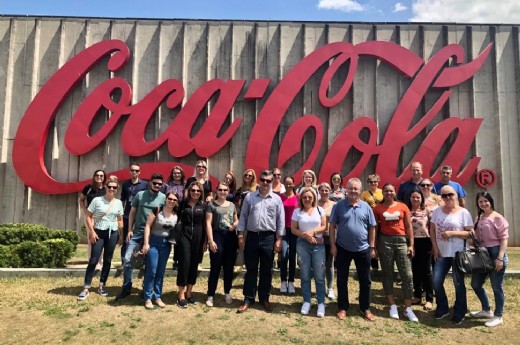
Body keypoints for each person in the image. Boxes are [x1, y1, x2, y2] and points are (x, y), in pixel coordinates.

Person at [236, 170, 285, 313]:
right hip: (251, 236)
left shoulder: (276, 199)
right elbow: (243, 217)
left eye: (268, 181)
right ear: (260, 181)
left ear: (272, 182)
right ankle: (248, 299)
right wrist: (240, 235)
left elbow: (280, 221)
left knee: (266, 270)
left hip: (269, 238)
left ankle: (264, 298)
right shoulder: (249, 197)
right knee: (250, 269)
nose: (265, 183)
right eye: (263, 180)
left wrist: (279, 239)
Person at [329, 178, 377, 321]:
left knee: (365, 280)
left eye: (356, 188)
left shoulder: (366, 207)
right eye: (350, 188)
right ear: (346, 189)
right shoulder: (338, 206)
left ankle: (365, 308)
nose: (353, 191)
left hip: (363, 248)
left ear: (360, 190)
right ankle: (342, 307)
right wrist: (332, 245)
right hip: (343, 248)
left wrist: (372, 246)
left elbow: (372, 227)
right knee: (342, 279)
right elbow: (332, 226)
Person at [116, 173, 166, 301]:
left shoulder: (163, 198)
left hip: (152, 235)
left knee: (148, 264)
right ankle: (127, 288)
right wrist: (129, 230)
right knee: (127, 260)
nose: (157, 185)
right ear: (150, 183)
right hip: (137, 232)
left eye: (160, 184)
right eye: (155, 183)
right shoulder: (140, 195)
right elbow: (132, 212)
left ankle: (145, 289)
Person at [373, 183, 418, 322]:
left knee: (407, 275)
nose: (388, 193)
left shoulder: (402, 206)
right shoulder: (377, 208)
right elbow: (375, 228)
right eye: (386, 191)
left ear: (394, 192)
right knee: (387, 273)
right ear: (383, 193)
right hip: (385, 241)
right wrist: (374, 247)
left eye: (391, 191)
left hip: (401, 241)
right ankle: (392, 305)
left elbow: (409, 226)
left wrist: (411, 244)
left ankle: (408, 308)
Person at [429, 185, 473, 325]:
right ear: (441, 197)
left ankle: (460, 311)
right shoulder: (437, 212)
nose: (448, 198)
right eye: (444, 195)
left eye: (450, 194)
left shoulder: (463, 212)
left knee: (458, 283)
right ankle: (443, 308)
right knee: (436, 281)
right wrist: (435, 248)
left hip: (458, 254)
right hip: (442, 253)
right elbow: (432, 230)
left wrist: (453, 233)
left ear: (456, 195)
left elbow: (471, 233)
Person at [77, 176, 124, 301]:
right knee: (93, 260)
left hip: (112, 233)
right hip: (98, 232)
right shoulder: (97, 200)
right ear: (106, 187)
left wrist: (121, 235)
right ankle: (86, 287)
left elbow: (119, 219)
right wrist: (92, 231)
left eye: (114, 187)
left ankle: (102, 285)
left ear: (117, 189)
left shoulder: (118, 203)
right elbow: (88, 216)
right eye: (110, 187)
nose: (112, 189)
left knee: (108, 260)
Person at [470, 191, 509, 327]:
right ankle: (486, 310)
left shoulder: (498, 218)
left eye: (486, 201)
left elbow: (504, 239)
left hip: (496, 252)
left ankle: (498, 316)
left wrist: (500, 258)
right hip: (483, 254)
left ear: (491, 201)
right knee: (475, 284)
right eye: (480, 202)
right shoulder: (479, 218)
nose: (483, 204)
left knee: (496, 287)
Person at [292, 187, 327, 317]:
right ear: (301, 198)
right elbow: (294, 229)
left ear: (314, 198)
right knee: (305, 274)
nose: (307, 199)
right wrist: (306, 236)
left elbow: (325, 226)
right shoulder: (297, 211)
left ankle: (321, 303)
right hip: (303, 245)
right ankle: (306, 301)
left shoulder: (320, 210)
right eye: (305, 197)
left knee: (319, 275)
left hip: (318, 245)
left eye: (310, 197)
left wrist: (314, 232)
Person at [142, 192, 178, 309]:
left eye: (174, 199)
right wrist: (146, 243)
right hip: (153, 242)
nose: (171, 201)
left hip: (166, 244)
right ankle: (147, 297)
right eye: (170, 198)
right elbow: (147, 226)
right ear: (166, 199)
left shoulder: (176, 214)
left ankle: (157, 296)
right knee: (151, 270)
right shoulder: (157, 210)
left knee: (160, 271)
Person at [205, 182, 239, 307]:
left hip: (230, 238)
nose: (223, 192)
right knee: (215, 267)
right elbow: (208, 223)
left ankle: (227, 292)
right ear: (216, 190)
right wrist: (210, 240)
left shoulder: (232, 205)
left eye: (225, 190)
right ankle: (210, 295)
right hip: (217, 236)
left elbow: (236, 220)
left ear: (228, 191)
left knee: (229, 268)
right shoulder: (211, 205)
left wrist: (235, 224)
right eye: (220, 189)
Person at [176, 181, 207, 308]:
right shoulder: (183, 204)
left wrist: (205, 241)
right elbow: (176, 219)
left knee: (194, 264)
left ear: (201, 193)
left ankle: (189, 292)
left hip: (199, 237)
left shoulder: (204, 206)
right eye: (193, 190)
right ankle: (181, 294)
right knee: (184, 264)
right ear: (189, 191)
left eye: (198, 191)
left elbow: (206, 224)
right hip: (184, 236)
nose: (195, 192)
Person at [118, 163, 148, 276]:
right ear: (129, 171)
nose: (134, 172)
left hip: (140, 216)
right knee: (127, 239)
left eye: (136, 170)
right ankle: (124, 262)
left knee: (141, 239)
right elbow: (123, 200)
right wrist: (120, 213)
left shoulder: (144, 184)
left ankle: (142, 263)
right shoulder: (125, 185)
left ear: (139, 172)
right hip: (127, 216)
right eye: (132, 170)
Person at [409, 189, 434, 311]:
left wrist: (434, 244)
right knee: (415, 269)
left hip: (425, 241)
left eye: (418, 197)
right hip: (412, 243)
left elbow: (432, 227)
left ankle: (429, 299)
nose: (415, 199)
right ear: (410, 198)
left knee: (426, 270)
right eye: (413, 197)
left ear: (421, 199)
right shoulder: (407, 211)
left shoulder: (427, 211)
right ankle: (417, 295)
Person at [79, 169, 106, 272]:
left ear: (104, 178)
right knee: (91, 239)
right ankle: (91, 261)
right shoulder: (88, 188)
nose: (99, 177)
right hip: (90, 217)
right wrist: (85, 211)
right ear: (94, 176)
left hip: (102, 218)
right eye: (97, 175)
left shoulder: (106, 189)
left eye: (101, 176)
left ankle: (99, 263)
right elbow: (81, 199)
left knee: (100, 240)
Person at [160, 165, 186, 270]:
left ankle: (176, 260)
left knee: (178, 238)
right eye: (175, 173)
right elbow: (162, 199)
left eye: (179, 173)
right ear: (172, 174)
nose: (177, 175)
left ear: (182, 174)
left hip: (180, 215)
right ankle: (162, 258)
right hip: (168, 213)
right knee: (166, 235)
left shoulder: (185, 186)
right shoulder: (166, 186)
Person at [360, 174, 383, 272]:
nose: (373, 183)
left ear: (378, 182)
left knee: (380, 240)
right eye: (371, 182)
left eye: (375, 181)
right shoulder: (364, 194)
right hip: (370, 219)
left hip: (381, 219)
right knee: (371, 240)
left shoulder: (382, 192)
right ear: (368, 183)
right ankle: (374, 267)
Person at [317, 182, 336, 299]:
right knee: (318, 264)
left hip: (330, 236)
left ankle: (330, 288)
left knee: (329, 264)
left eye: (326, 190)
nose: (324, 192)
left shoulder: (334, 205)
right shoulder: (314, 204)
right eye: (322, 190)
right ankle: (320, 287)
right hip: (317, 237)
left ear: (330, 191)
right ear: (318, 191)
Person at [279, 176, 298, 294]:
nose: (288, 185)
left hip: (295, 230)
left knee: (292, 256)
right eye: (286, 183)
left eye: (290, 183)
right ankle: (283, 281)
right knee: (284, 254)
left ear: (294, 184)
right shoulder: (280, 197)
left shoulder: (298, 197)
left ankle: (291, 281)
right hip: (283, 230)